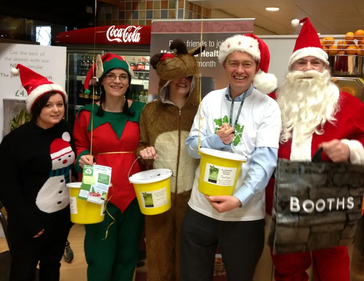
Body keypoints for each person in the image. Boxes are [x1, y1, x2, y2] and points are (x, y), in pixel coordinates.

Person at [266, 17, 364, 281]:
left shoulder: (349, 104)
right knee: (287, 266)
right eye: (301, 62)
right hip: (285, 199)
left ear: (325, 68)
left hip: (331, 197)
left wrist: (350, 148)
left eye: (315, 62)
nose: (308, 68)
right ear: (291, 68)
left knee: (332, 266)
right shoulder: (274, 102)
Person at [180, 33, 281, 280]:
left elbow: (265, 162)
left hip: (244, 216)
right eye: (233, 63)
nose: (240, 70)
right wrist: (216, 140)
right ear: (224, 65)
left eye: (247, 64)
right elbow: (192, 147)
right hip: (200, 209)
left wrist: (238, 199)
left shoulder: (268, 107)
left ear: (256, 68)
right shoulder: (210, 100)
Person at [136, 39, 204, 281]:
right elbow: (142, 145)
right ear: (167, 79)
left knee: (188, 257)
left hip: (193, 198)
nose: (183, 80)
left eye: (188, 75)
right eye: (178, 76)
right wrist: (143, 154)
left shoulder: (201, 111)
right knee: (158, 253)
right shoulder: (150, 111)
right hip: (159, 197)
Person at [73, 53, 145, 281]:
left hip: (134, 193)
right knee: (99, 258)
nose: (117, 81)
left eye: (123, 76)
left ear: (129, 81)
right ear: (101, 80)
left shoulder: (142, 111)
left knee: (128, 257)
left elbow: (152, 144)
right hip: (98, 192)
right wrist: (82, 158)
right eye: (111, 76)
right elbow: (80, 147)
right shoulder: (87, 114)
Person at [0, 64, 75, 280]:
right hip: (28, 223)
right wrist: (29, 223)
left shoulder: (67, 129)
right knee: (23, 271)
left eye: (60, 104)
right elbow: (7, 187)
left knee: (52, 268)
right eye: (48, 105)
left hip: (60, 219)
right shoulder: (15, 141)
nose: (56, 110)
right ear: (35, 107)